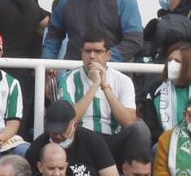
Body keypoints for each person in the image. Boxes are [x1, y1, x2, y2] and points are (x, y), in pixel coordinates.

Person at [56, 30, 149, 161]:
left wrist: (105, 86)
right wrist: (95, 85)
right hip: (80, 139)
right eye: (87, 51)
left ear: (108, 55)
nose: (92, 56)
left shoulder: (123, 80)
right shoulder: (68, 78)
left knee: (140, 129)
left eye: (98, 52)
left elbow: (128, 121)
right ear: (82, 54)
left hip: (110, 140)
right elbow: (69, 120)